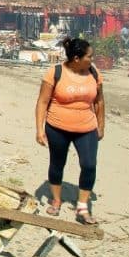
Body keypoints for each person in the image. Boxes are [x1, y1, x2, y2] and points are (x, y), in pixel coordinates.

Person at [34, 37, 105, 224]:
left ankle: (82, 207)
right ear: (76, 58)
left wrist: (101, 126)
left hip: (87, 128)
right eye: (89, 56)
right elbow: (42, 102)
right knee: (57, 164)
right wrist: (39, 129)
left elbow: (99, 101)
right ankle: (56, 200)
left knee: (89, 165)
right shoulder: (55, 72)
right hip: (57, 127)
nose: (92, 59)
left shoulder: (94, 73)